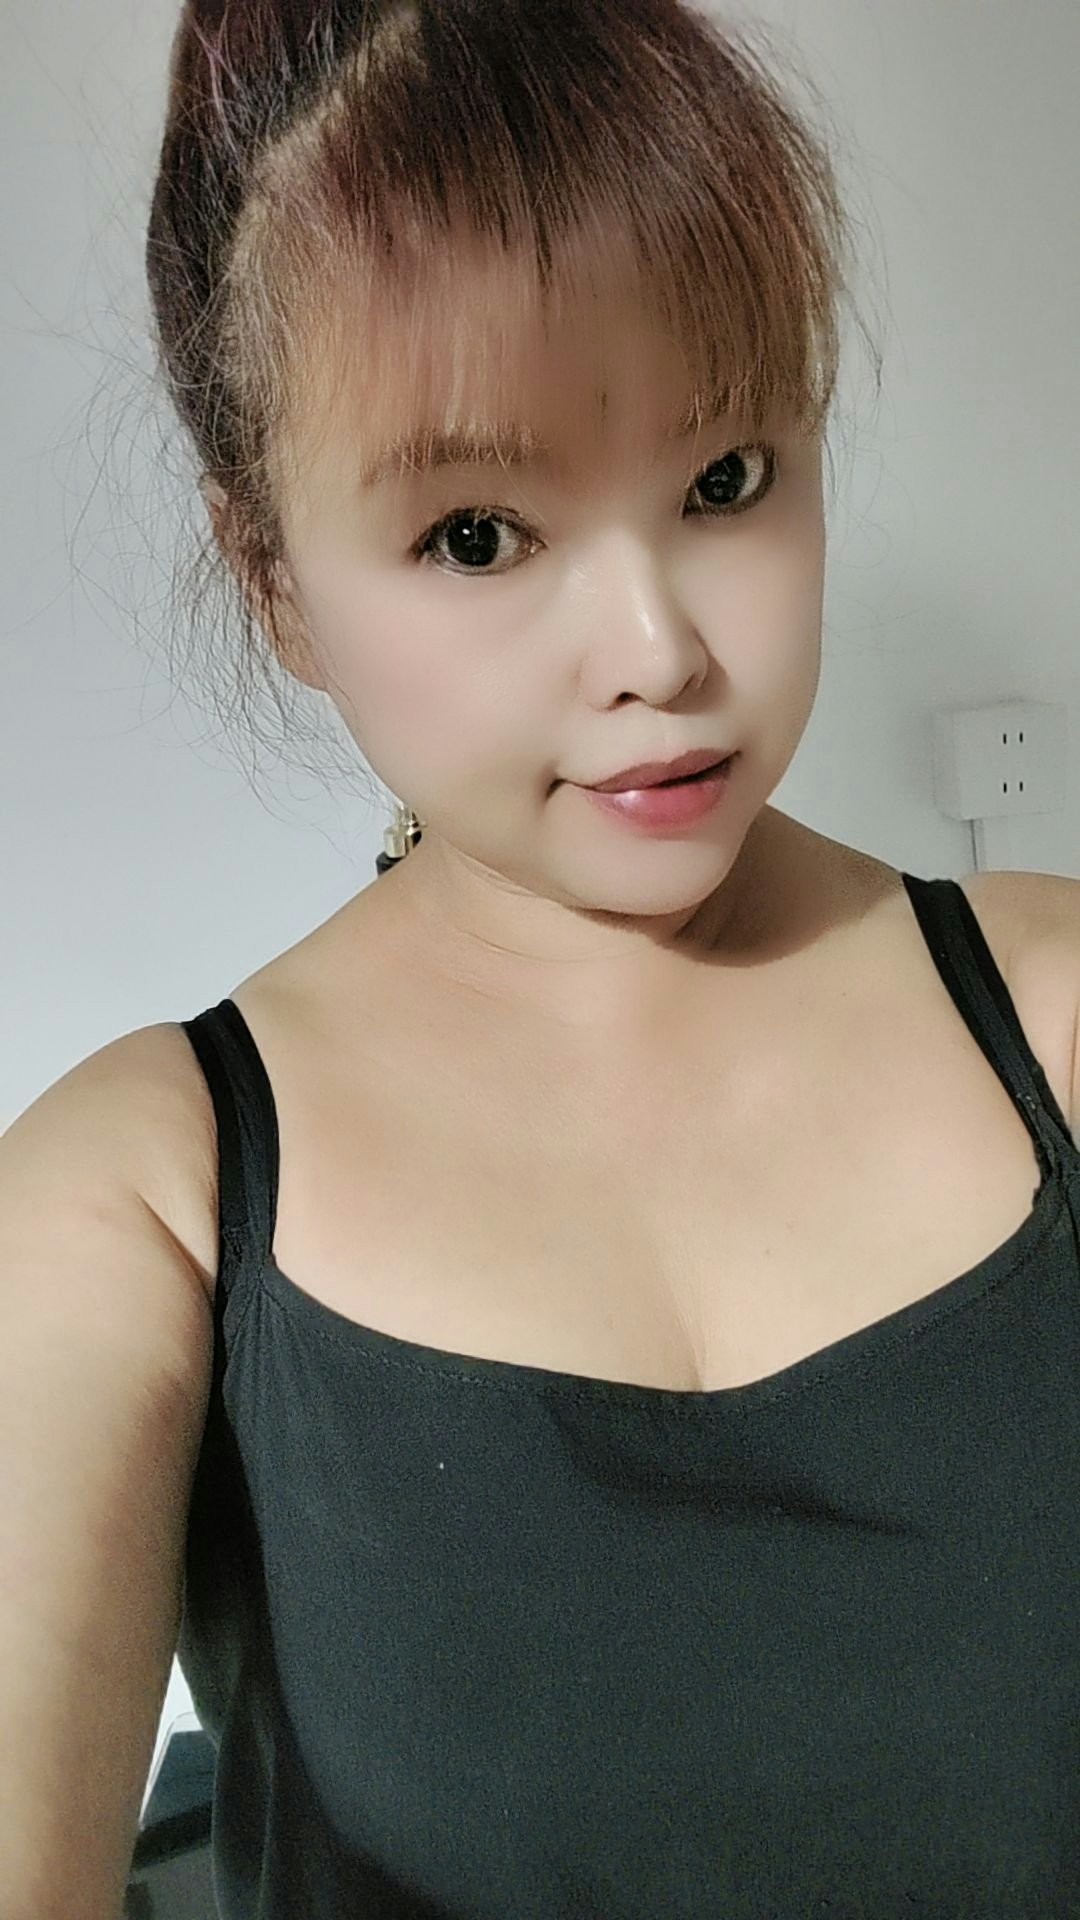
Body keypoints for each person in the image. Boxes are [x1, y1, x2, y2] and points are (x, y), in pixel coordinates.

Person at [4, 2, 1079, 1917]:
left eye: (727, 479)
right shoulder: (137, 1199)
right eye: (481, 533)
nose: (659, 649)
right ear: (273, 579)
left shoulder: (1060, 1016)